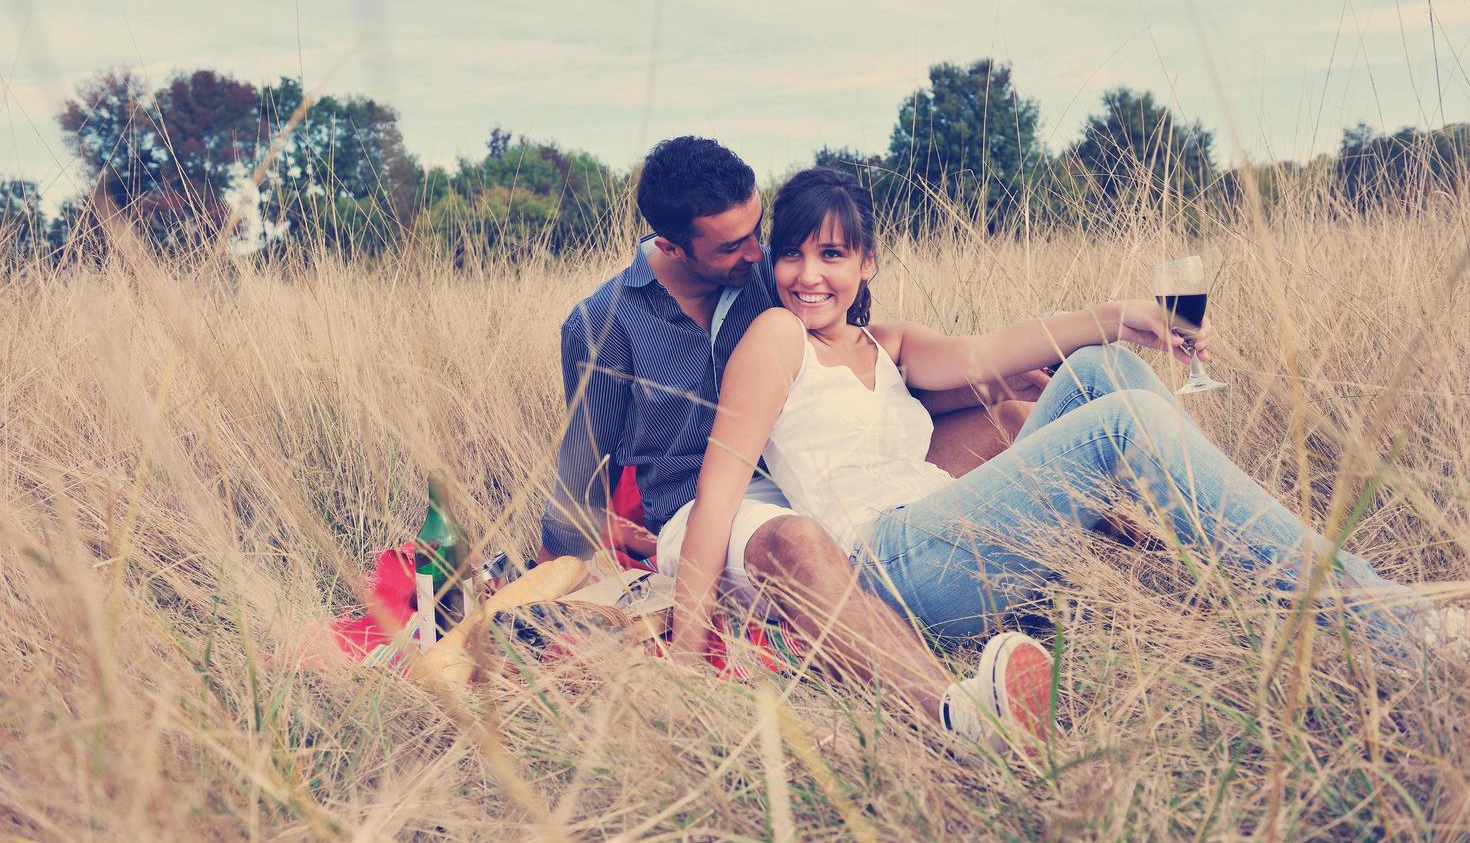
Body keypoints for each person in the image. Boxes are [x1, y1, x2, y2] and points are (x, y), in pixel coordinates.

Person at [668, 166, 1467, 747]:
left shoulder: (890, 344)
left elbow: (991, 351)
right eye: (794, 256)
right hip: (885, 561)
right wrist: (683, 643)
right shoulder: (775, 339)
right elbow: (721, 486)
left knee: (1101, 371)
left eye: (833, 256)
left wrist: (1120, 317)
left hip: (945, 534)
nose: (810, 276)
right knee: (1120, 425)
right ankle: (1396, 626)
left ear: (868, 263)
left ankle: (1247, 570)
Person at [542, 138, 1052, 749]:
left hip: (819, 473)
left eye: (760, 232)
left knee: (1013, 414)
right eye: (733, 246)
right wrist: (587, 551)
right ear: (673, 245)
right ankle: (954, 715)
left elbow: (848, 374)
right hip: (713, 508)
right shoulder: (602, 324)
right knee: (796, 539)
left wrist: (986, 385)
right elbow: (582, 466)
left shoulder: (777, 271)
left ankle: (1128, 581)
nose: (759, 254)